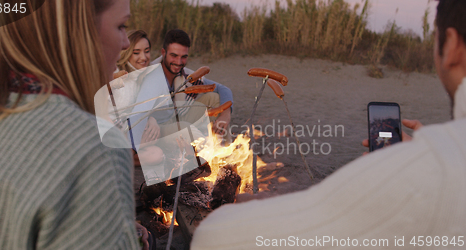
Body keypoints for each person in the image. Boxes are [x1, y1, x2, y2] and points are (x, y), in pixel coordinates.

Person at [190, 0, 466, 249]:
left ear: (451, 45)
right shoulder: (443, 154)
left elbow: (215, 238)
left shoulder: (434, 165)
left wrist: (415, 161)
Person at [0, 0, 149, 249]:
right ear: (77, 30)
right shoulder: (94, 148)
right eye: (121, 25)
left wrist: (110, 223)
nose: (126, 42)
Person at [152, 29, 234, 141]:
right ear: (163, 52)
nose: (178, 62)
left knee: (215, 98)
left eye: (183, 57)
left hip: (178, 116)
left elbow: (223, 89)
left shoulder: (187, 75)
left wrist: (226, 115)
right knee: (186, 128)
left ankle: (225, 151)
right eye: (174, 55)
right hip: (157, 127)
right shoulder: (149, 73)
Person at [115, 30, 164, 167]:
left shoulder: (142, 76)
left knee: (156, 154)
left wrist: (151, 119)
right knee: (152, 146)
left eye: (146, 51)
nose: (143, 57)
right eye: (136, 53)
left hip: (128, 135)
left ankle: (119, 159)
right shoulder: (119, 77)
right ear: (126, 53)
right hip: (111, 134)